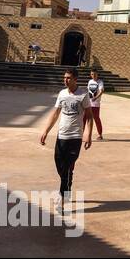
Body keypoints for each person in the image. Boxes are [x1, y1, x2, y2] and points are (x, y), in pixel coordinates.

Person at [38, 70, 94, 211]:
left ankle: (62, 199)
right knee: (59, 165)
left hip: (75, 137)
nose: (65, 80)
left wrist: (88, 134)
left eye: (68, 78)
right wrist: (46, 131)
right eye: (64, 78)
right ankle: (67, 185)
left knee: (67, 167)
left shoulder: (83, 94)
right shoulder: (62, 94)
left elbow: (89, 116)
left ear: (75, 79)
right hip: (61, 136)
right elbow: (55, 113)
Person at [84, 70, 104, 141]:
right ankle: (81, 135)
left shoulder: (100, 82)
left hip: (95, 104)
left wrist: (96, 97)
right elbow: (87, 90)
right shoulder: (90, 81)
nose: (93, 76)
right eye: (92, 74)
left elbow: (101, 91)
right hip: (88, 103)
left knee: (96, 119)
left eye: (95, 74)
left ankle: (100, 134)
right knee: (84, 118)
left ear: (97, 74)